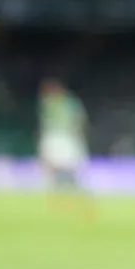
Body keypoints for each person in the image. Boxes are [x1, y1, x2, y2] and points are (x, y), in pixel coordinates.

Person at [36, 78, 91, 214]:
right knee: (52, 169)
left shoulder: (69, 103)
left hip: (66, 138)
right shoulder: (48, 103)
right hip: (55, 138)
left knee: (72, 168)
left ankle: (76, 197)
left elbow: (79, 120)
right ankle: (56, 199)